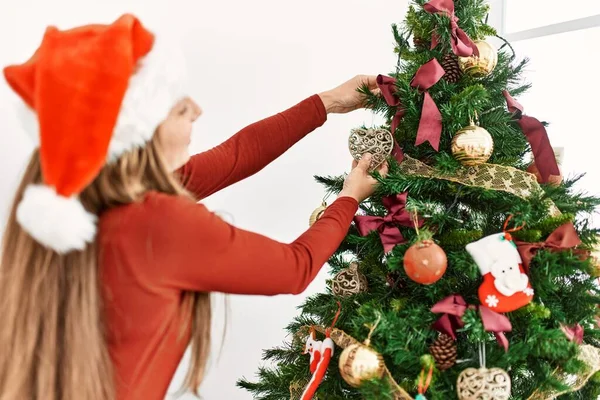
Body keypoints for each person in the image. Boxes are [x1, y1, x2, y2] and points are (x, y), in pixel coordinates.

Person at [0, 13, 387, 400]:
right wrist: (350, 195)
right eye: (179, 107)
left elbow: (237, 155)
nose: (197, 110)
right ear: (140, 127)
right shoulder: (159, 223)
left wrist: (330, 101)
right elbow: (295, 266)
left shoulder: (87, 201)